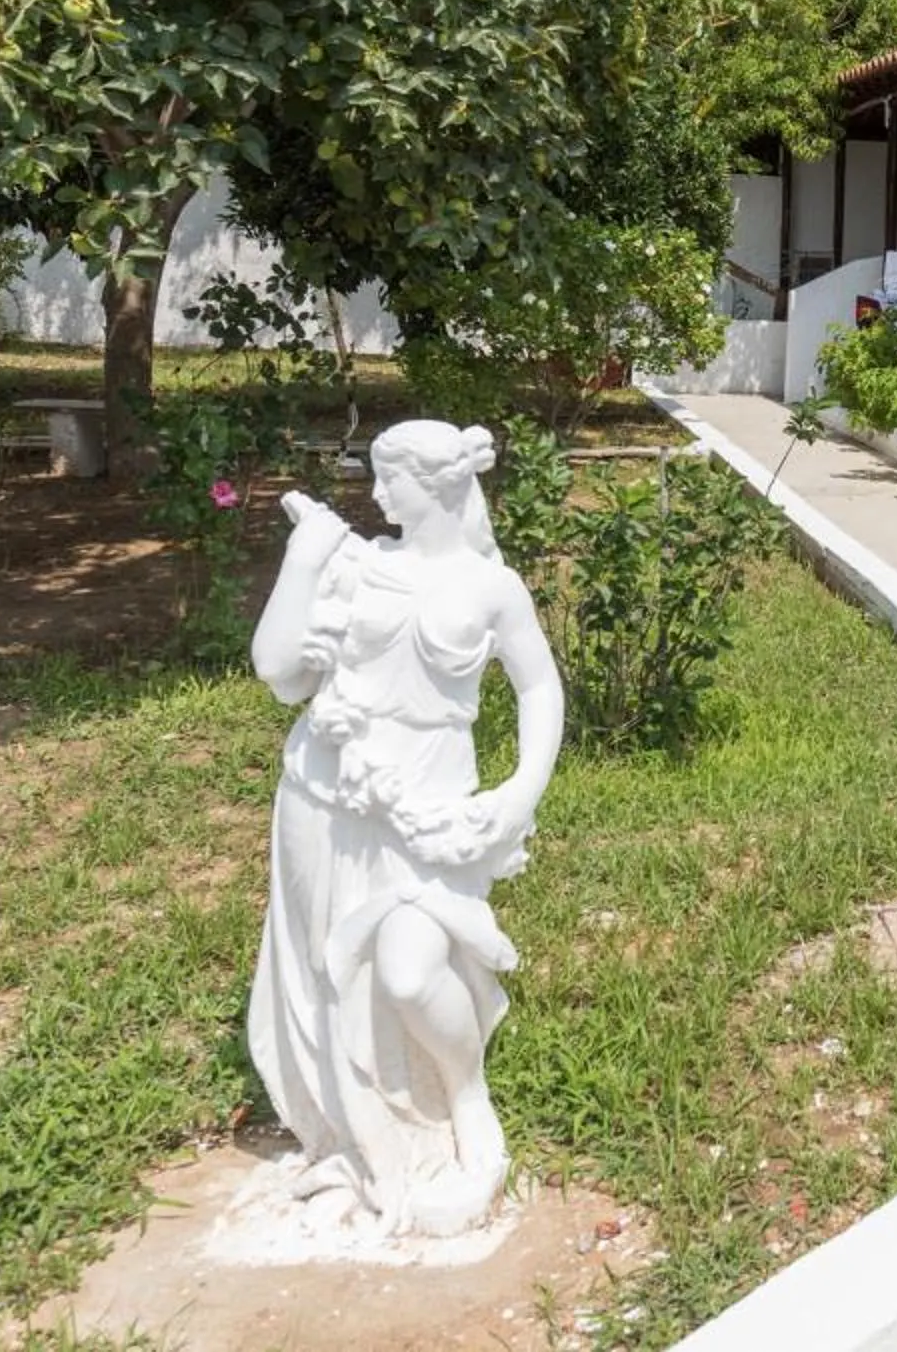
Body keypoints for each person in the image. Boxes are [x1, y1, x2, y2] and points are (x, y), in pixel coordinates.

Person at [245, 420, 563, 1236]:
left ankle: (466, 1098)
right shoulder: (355, 567)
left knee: (411, 972)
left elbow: (539, 690)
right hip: (325, 799)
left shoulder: (493, 588)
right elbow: (280, 675)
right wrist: (304, 558)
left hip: (428, 819)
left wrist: (521, 788)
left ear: (441, 484)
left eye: (393, 479)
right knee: (328, 977)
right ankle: (362, 1141)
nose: (378, 494)